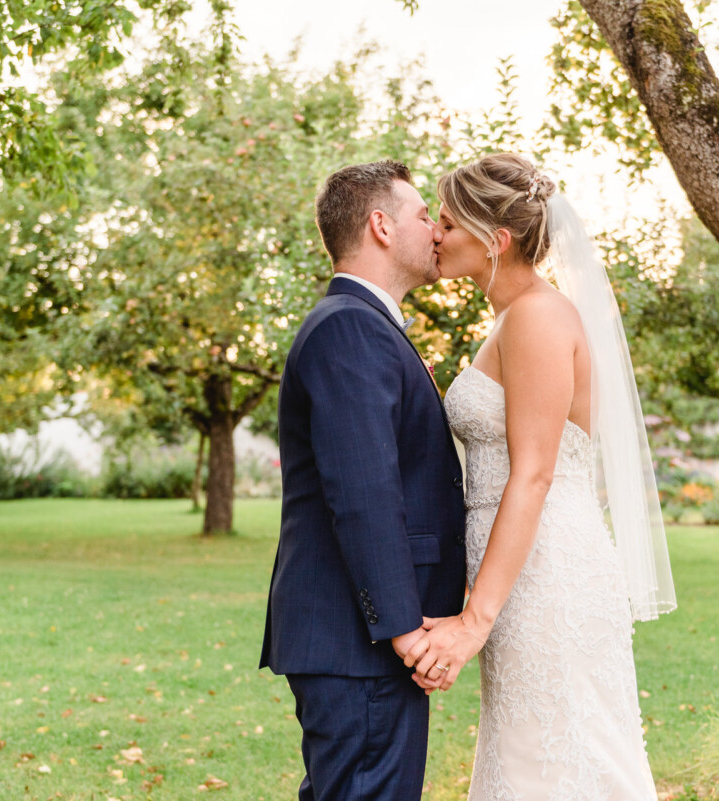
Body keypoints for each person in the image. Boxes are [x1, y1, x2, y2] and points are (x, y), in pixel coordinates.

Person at [403, 153, 676, 799]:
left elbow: (533, 475)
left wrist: (475, 618)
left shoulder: (537, 316)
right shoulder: (512, 317)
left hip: (546, 570)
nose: (434, 234)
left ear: (495, 240)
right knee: (534, 755)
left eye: (447, 221)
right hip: (524, 569)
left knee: (562, 760)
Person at [259, 160, 467, 801]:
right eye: (422, 215)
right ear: (381, 225)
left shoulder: (363, 325)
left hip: (360, 641)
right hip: (362, 641)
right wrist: (405, 630)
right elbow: (364, 492)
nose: (436, 229)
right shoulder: (350, 327)